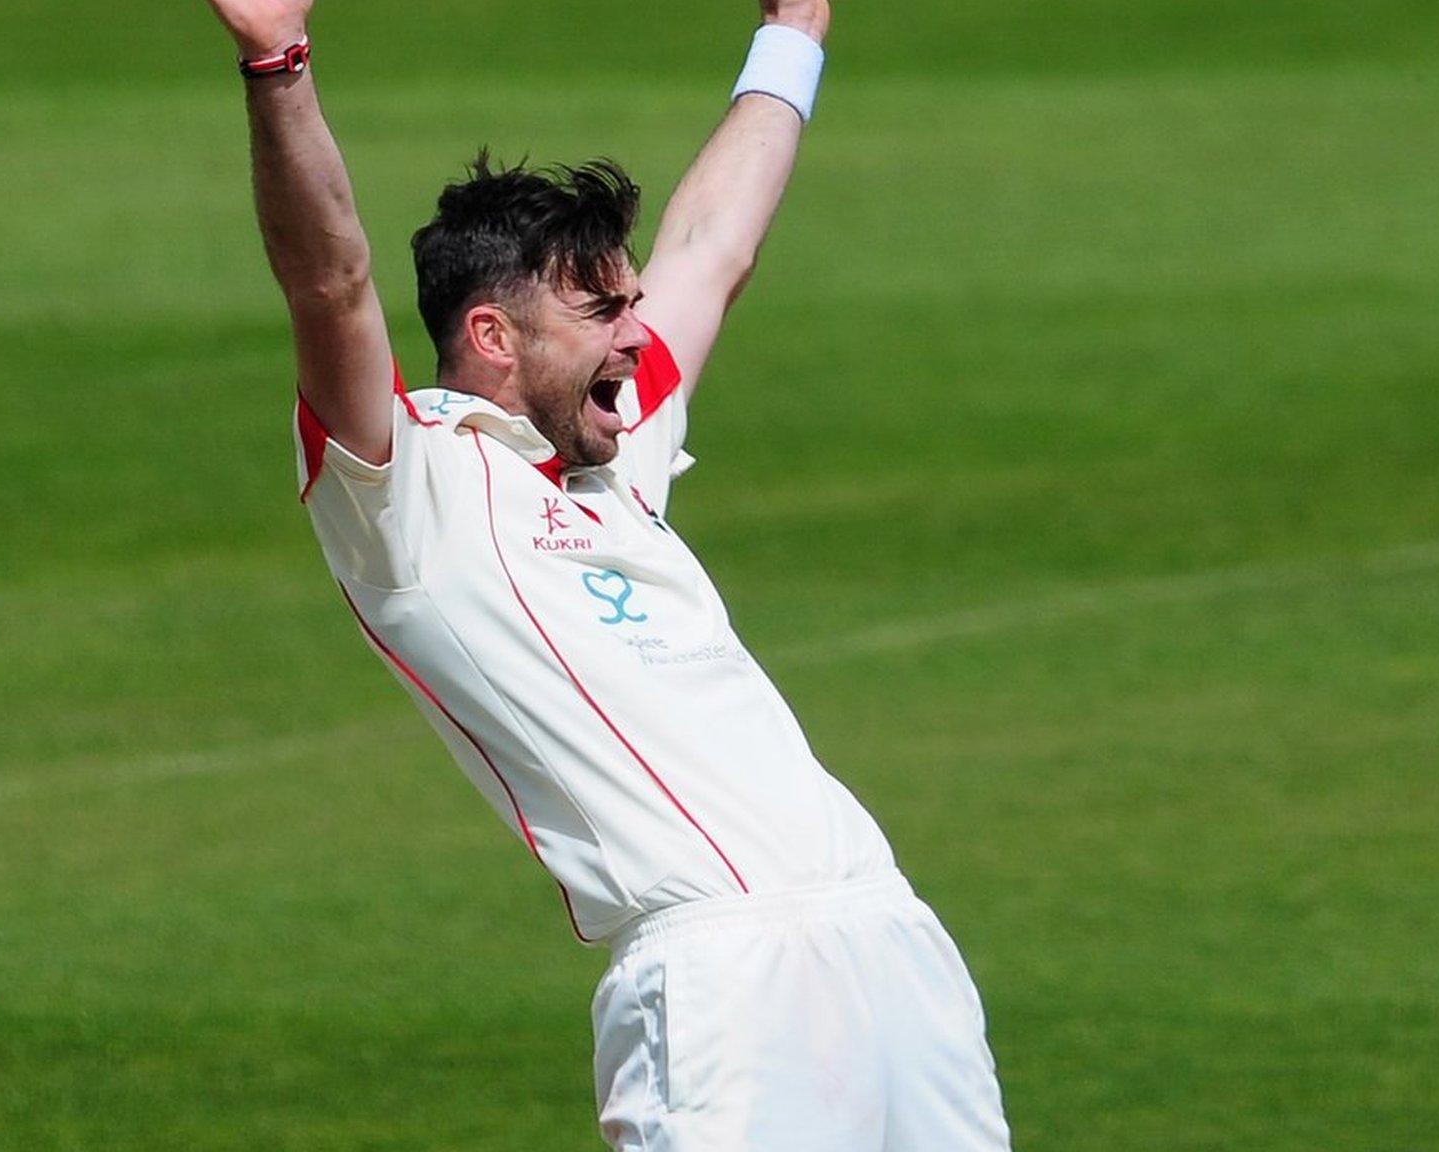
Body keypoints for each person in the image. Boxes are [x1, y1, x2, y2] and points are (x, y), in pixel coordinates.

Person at [200, 0, 1014, 1146]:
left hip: (887, 939)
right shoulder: (404, 491)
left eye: (629, 303)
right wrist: (278, 64)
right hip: (719, 985)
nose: (637, 335)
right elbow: (329, 284)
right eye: (601, 309)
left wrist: (796, 31)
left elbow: (712, 249)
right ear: (492, 336)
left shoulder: (618, 452)